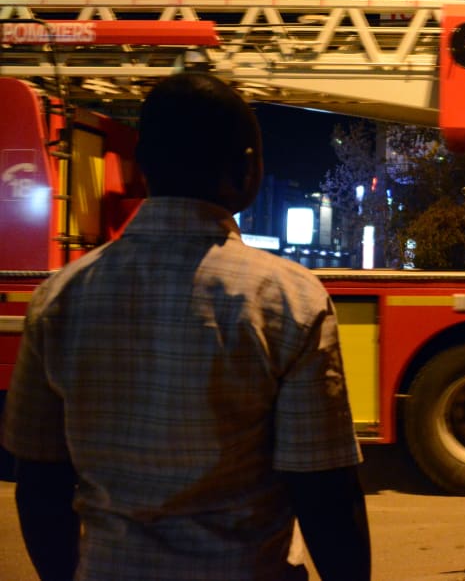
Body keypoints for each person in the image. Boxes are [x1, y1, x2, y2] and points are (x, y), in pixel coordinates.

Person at [1, 72, 371, 581]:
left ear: (142, 165)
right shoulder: (289, 299)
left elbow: (40, 484)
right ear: (246, 170)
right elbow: (325, 493)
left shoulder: (58, 299)